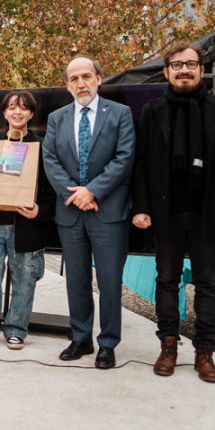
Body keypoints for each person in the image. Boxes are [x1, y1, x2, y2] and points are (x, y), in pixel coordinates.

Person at [132, 43, 215, 383]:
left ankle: (205, 352)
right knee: (166, 282)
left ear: (201, 70)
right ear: (166, 72)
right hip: (165, 213)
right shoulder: (152, 111)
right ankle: (168, 345)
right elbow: (140, 166)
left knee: (207, 284)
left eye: (191, 64)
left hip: (208, 214)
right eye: (177, 65)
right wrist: (141, 207)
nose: (184, 70)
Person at [42, 56, 135, 369]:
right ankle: (81, 338)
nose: (80, 83)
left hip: (108, 210)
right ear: (67, 84)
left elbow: (124, 158)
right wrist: (76, 194)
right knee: (76, 280)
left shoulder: (120, 114)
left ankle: (107, 344)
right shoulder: (57, 118)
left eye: (86, 76)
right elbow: (50, 160)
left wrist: (92, 191)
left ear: (98, 78)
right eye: (73, 79)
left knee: (109, 281)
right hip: (70, 211)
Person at [0, 91, 54, 349]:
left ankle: (16, 329)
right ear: (4, 113)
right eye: (12, 107)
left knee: (25, 280)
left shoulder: (41, 147)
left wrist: (40, 210)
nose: (18, 112)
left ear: (31, 114)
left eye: (23, 108)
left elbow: (51, 189)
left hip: (26, 226)